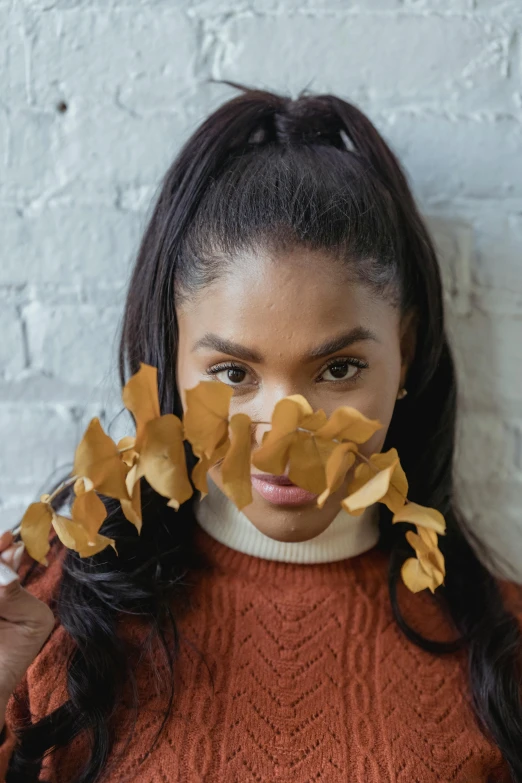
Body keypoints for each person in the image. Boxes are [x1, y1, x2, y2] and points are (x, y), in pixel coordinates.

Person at [0, 82, 521, 783]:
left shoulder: (503, 648)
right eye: (232, 373)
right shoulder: (47, 620)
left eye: (338, 368)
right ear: (172, 365)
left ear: (405, 351)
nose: (280, 433)